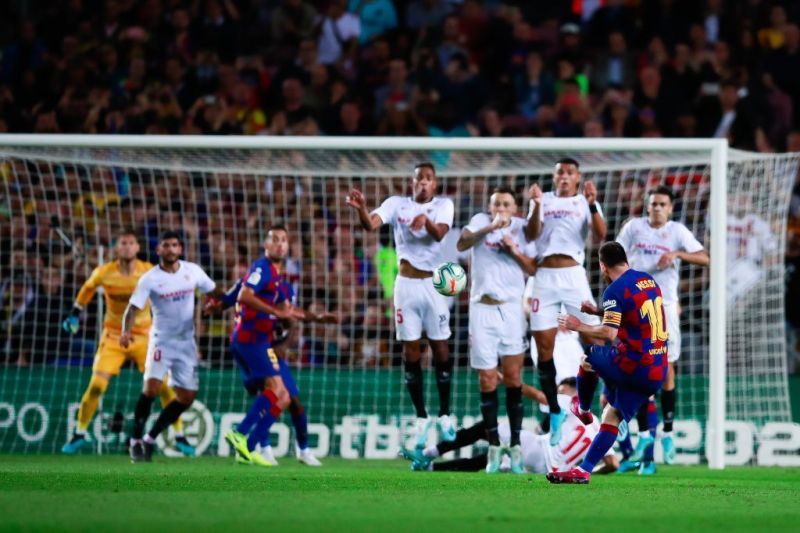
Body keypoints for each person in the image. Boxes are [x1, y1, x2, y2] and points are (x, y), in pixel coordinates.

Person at [347, 162, 456, 448]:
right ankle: (421, 417)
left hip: (433, 286)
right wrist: (360, 208)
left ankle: (445, 414)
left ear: (435, 184)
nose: (423, 182)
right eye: (419, 177)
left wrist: (426, 221)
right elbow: (370, 224)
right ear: (412, 182)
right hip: (405, 286)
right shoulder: (396, 204)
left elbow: (440, 234)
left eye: (429, 179)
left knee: (441, 348)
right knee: (411, 350)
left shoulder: (444, 205)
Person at [60, 230, 192, 456]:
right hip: (113, 336)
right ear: (116, 248)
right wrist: (75, 312)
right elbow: (88, 288)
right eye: (123, 243)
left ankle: (180, 435)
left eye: (132, 243)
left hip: (145, 336)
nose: (128, 247)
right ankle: (79, 432)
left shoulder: (149, 272)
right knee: (96, 387)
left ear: (138, 248)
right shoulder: (104, 272)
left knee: (164, 387)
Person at [546, 241, 668, 484]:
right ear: (626, 260)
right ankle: (583, 471)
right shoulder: (647, 280)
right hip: (657, 371)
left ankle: (582, 409)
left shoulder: (614, 290)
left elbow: (609, 334)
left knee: (587, 358)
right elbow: (632, 310)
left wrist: (578, 324)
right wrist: (598, 313)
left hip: (635, 364)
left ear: (603, 266)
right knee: (611, 416)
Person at [220, 226, 337, 467]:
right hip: (252, 340)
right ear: (266, 244)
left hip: (258, 342)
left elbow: (290, 310)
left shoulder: (278, 280)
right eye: (275, 240)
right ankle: (242, 435)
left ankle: (249, 446)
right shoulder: (262, 268)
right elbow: (243, 294)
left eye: (284, 240)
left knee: (282, 396)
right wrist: (273, 311)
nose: (280, 244)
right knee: (278, 392)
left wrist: (318, 318)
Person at [616, 185, 708, 470]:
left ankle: (666, 433)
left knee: (666, 369)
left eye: (662, 204)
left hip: (665, 306)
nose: (656, 207)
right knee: (638, 370)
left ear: (670, 208)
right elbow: (615, 255)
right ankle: (642, 437)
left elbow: (706, 258)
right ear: (647, 206)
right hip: (635, 306)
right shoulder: (633, 227)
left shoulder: (678, 232)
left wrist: (677, 255)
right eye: (653, 203)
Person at [525, 157, 607, 445]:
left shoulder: (585, 202)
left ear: (577, 176)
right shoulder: (541, 199)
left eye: (570, 172)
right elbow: (530, 234)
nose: (564, 176)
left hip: (573, 275)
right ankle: (555, 409)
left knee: (600, 339)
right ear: (554, 175)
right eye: (560, 171)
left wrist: (594, 203)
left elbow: (600, 236)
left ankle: (610, 405)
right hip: (544, 277)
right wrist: (535, 205)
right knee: (544, 348)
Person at [123, 231, 223, 462]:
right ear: (159, 250)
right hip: (161, 342)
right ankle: (135, 441)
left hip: (186, 343)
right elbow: (132, 308)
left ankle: (150, 438)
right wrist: (126, 332)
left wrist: (225, 302)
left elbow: (215, 292)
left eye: (175, 245)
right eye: (166, 245)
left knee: (187, 397)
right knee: (151, 389)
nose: (171, 249)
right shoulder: (149, 278)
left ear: (180, 249)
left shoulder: (193, 271)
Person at [455, 186, 536, 473]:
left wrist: (512, 249)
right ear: (490, 208)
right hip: (481, 308)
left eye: (505, 204)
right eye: (496, 204)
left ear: (515, 209)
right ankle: (492, 448)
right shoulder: (480, 222)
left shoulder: (524, 229)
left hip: (512, 308)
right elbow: (462, 244)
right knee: (487, 380)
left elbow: (533, 268)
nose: (500, 208)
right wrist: (491, 227)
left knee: (513, 377)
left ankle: (514, 447)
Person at [402, 378, 618, 474]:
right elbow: (613, 464)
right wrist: (581, 471)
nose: (558, 393)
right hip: (551, 469)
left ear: (573, 390)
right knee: (489, 457)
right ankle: (430, 467)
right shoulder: (600, 428)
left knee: (487, 428)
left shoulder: (574, 402)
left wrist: (508, 380)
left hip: (538, 449)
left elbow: (542, 397)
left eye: (561, 390)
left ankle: (429, 453)